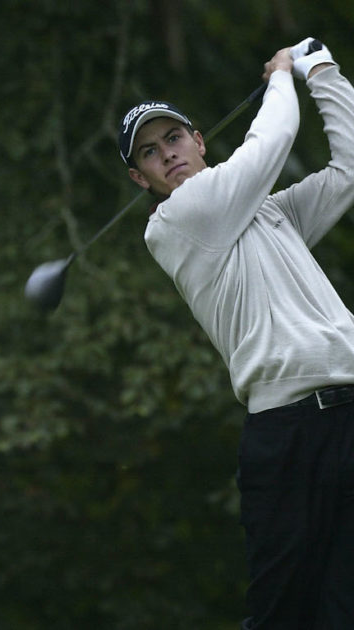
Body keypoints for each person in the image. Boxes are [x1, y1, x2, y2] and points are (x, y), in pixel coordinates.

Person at [118, 38, 354, 628]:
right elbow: (269, 143)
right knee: (281, 615)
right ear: (140, 178)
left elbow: (349, 169)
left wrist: (321, 70)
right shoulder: (177, 221)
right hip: (286, 434)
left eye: (173, 138)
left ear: (198, 141)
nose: (167, 154)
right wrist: (282, 74)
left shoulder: (269, 213)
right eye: (150, 153)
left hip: (350, 419)